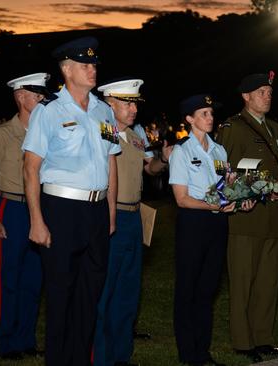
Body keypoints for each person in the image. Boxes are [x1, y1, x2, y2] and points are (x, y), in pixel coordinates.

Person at [21, 37, 121, 366]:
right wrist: (36, 220)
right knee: (61, 296)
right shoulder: (48, 111)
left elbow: (111, 162)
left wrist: (110, 214)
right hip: (61, 210)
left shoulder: (104, 110)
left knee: (89, 297)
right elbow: (31, 168)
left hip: (96, 210)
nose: (92, 70)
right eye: (84, 65)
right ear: (66, 69)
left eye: (94, 64)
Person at [215, 72, 278, 362]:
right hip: (246, 218)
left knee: (267, 282)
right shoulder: (233, 128)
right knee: (243, 281)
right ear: (246, 96)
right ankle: (243, 341)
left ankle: (263, 337)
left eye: (270, 91)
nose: (267, 96)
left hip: (273, 216)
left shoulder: (275, 128)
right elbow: (224, 173)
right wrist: (249, 194)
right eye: (261, 91)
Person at [169, 94, 253, 366]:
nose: (210, 117)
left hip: (217, 225)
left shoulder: (219, 151)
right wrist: (216, 206)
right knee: (188, 290)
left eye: (211, 113)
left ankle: (203, 353)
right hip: (193, 224)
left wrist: (241, 196)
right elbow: (181, 199)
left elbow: (226, 186)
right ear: (189, 119)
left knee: (207, 290)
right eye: (203, 113)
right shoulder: (182, 151)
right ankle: (188, 354)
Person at [93, 78, 172, 366]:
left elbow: (149, 169)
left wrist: (162, 160)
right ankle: (100, 357)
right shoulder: (105, 131)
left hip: (134, 216)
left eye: (135, 103)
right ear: (109, 104)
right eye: (126, 103)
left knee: (128, 291)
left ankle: (121, 356)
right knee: (105, 291)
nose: (133, 109)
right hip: (110, 215)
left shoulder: (136, 136)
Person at [0, 72, 50, 360]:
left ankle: (26, 340)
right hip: (12, 209)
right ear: (20, 97)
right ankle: (7, 343)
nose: (43, 98)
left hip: (39, 209)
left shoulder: (45, 133)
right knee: (10, 278)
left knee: (34, 279)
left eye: (43, 93)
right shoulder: (1, 134)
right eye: (37, 93)